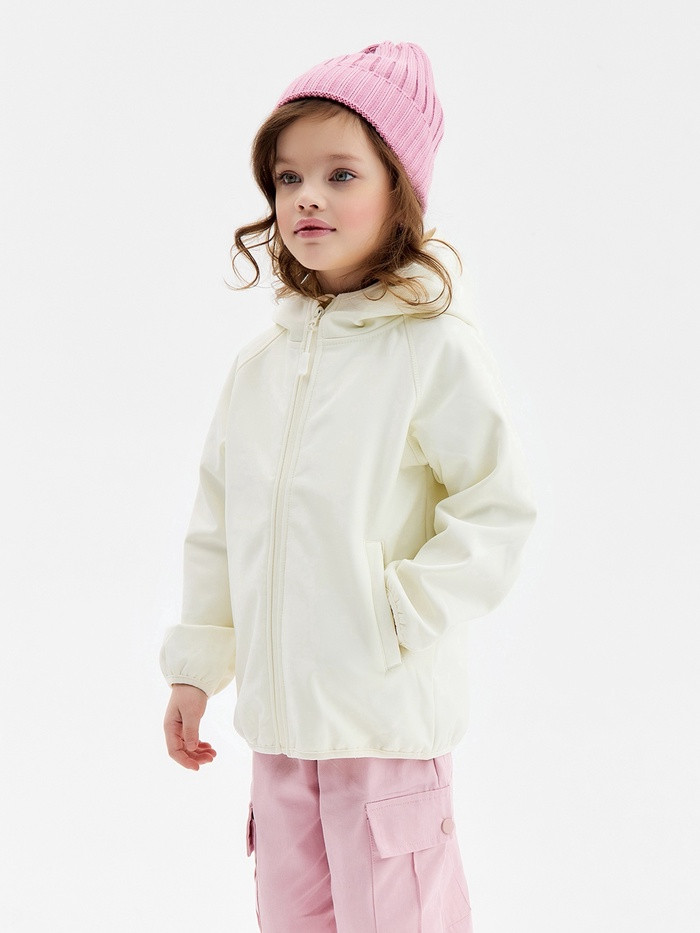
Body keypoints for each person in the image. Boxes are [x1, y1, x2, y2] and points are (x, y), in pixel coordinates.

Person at [160, 40, 537, 932]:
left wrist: (398, 611)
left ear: (399, 192)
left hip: (383, 727)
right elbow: (219, 525)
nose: (307, 197)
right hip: (282, 732)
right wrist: (197, 669)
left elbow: (497, 503)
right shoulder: (262, 365)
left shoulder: (433, 345)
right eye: (289, 178)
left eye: (340, 174)